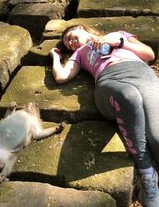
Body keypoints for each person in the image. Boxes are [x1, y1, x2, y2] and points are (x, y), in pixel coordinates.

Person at [49, 24, 159, 207]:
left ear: (80, 27)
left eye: (71, 36)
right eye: (68, 44)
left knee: (156, 138)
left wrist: (119, 42)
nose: (70, 42)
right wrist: (55, 57)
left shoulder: (118, 34)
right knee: (128, 96)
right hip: (110, 82)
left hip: (143, 75)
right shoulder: (81, 53)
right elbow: (61, 76)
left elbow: (149, 55)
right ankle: (147, 173)